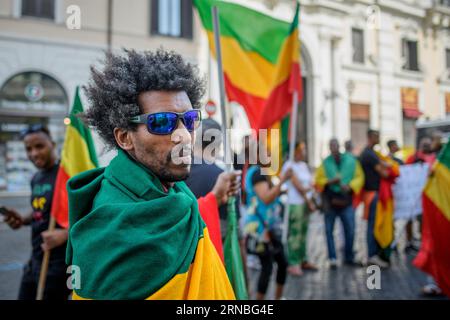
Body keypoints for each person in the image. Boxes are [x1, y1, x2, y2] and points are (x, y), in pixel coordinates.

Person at [65, 49, 240, 300]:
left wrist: (215, 197)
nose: (184, 135)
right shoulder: (108, 232)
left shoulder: (172, 188)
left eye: (189, 120)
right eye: (162, 122)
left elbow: (173, 219)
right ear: (125, 137)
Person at [2, 125, 70, 300]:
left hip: (58, 265)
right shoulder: (36, 178)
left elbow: (89, 217)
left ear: (53, 145)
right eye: (28, 149)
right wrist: (22, 220)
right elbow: (39, 212)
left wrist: (65, 234)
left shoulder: (67, 176)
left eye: (39, 146)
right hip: (35, 260)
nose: (33, 154)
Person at [244, 143, 292, 300]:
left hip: (268, 227)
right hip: (261, 229)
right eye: (267, 152)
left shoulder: (260, 172)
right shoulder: (257, 172)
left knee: (281, 263)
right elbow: (265, 198)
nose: (270, 155)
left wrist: (280, 189)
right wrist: (283, 180)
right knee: (268, 267)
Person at [315, 139, 364, 269]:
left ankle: (349, 256)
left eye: (335, 145)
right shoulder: (325, 163)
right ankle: (332, 258)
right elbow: (318, 180)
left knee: (350, 229)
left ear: (339, 146)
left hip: (346, 200)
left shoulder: (351, 161)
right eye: (331, 146)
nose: (333, 148)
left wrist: (350, 186)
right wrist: (330, 181)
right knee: (329, 230)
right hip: (330, 201)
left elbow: (359, 177)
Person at [282, 142, 318, 276]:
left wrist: (309, 191)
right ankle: (294, 263)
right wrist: (310, 199)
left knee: (303, 233)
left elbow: (309, 185)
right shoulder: (289, 166)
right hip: (295, 204)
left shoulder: (303, 166)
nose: (304, 152)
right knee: (295, 235)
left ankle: (303, 259)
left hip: (304, 203)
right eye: (302, 150)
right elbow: (301, 188)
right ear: (295, 151)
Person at [359, 129, 390, 268]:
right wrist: (392, 169)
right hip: (372, 194)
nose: (379, 138)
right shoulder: (369, 154)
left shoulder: (370, 153)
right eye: (377, 136)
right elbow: (384, 173)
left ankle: (374, 253)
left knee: (374, 224)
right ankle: (372, 255)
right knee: (373, 225)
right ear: (371, 137)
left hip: (372, 193)